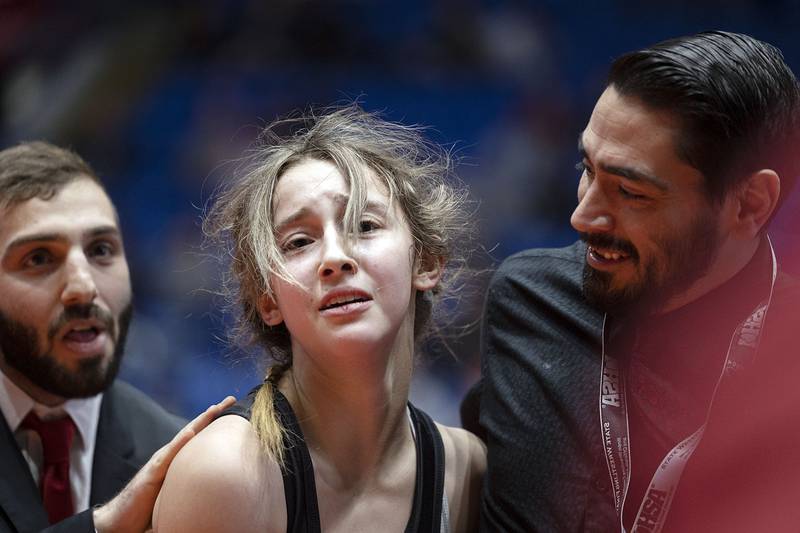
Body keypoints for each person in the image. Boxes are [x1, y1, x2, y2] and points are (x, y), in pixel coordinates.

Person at [469, 31, 800, 532]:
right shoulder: (529, 301)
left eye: (629, 192)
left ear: (750, 204)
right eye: (587, 169)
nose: (582, 218)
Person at [153, 105, 486, 532]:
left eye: (365, 225)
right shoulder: (224, 474)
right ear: (267, 299)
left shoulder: (468, 472)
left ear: (425, 261)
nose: (335, 257)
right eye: (299, 242)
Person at [0, 141, 235, 533]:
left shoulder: (176, 456)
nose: (84, 286)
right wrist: (103, 526)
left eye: (101, 249)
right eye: (39, 257)